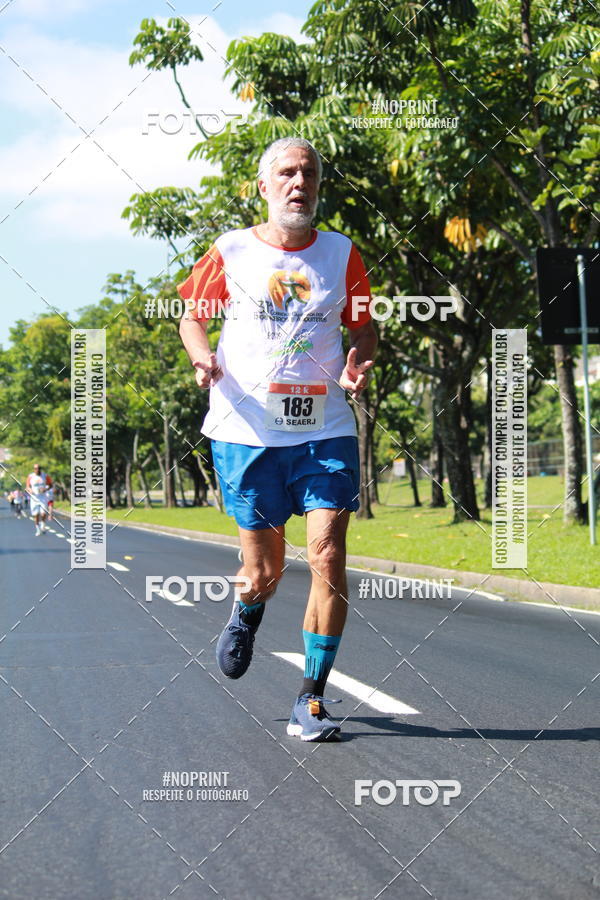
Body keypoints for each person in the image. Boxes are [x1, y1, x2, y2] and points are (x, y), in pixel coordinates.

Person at [179, 137, 377, 741]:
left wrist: (357, 363)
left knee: (326, 552)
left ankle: (311, 697)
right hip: (247, 431)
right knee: (263, 571)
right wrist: (202, 356)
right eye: (287, 173)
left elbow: (365, 328)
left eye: (310, 174)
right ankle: (247, 608)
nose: (300, 183)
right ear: (264, 187)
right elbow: (191, 314)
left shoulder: (344, 254)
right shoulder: (230, 251)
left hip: (324, 428)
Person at [26, 463, 52, 536]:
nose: (37, 469)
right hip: (34, 498)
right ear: (34, 469)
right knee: (36, 515)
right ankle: (38, 530)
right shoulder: (30, 476)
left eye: (38, 468)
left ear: (40, 468)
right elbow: (27, 486)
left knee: (43, 513)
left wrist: (45, 489)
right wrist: (30, 490)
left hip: (43, 497)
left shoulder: (45, 476)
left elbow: (50, 485)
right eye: (35, 468)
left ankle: (43, 524)